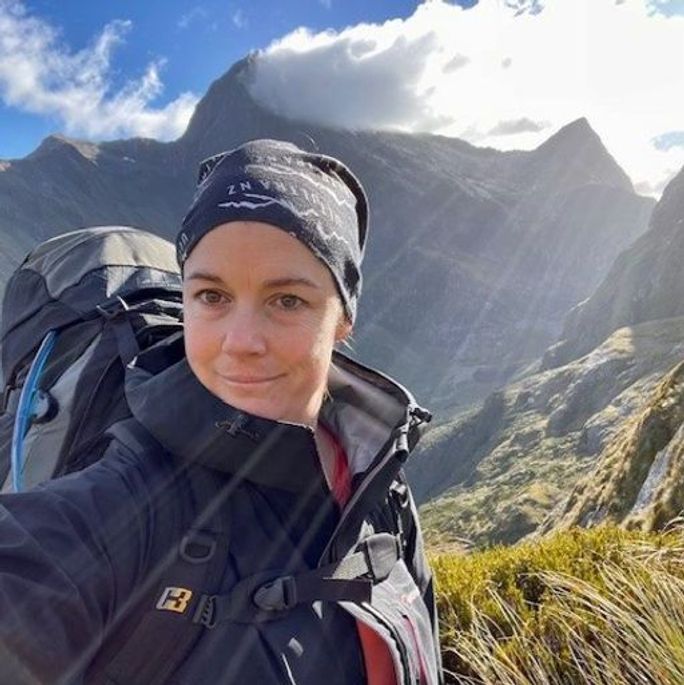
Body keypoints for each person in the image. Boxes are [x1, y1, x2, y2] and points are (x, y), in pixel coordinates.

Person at [0, 139, 442, 684]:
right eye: (212, 296)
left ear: (344, 315)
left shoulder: (379, 480)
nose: (241, 341)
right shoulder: (123, 506)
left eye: (287, 301)